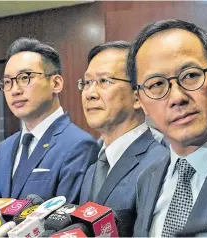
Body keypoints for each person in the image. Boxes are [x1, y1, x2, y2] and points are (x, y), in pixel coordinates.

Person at [127, 19, 207, 237]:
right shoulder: (147, 179)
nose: (177, 97)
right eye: (157, 85)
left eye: (191, 75)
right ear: (140, 101)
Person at [0, 37, 99, 203]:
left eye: (25, 77)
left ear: (56, 83)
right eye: (7, 82)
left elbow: (66, 219)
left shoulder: (79, 145)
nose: (14, 90)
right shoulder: (4, 148)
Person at [79, 41, 169, 236]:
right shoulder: (94, 168)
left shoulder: (160, 165)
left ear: (138, 97)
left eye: (104, 81)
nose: (90, 94)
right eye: (87, 83)